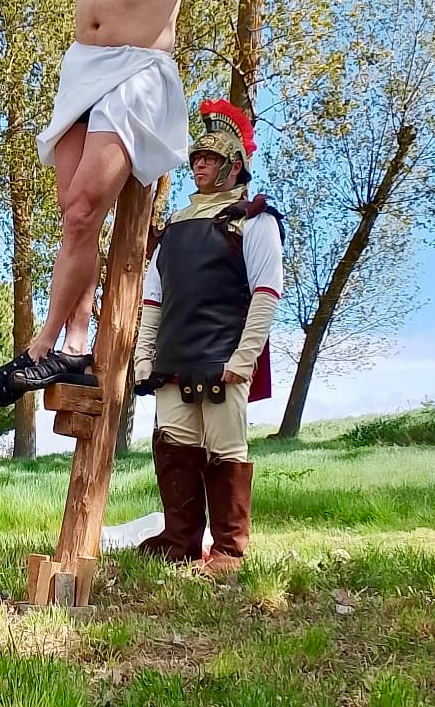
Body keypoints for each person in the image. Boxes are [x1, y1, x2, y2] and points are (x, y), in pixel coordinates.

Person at [0, 0, 391, 398]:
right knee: (74, 214)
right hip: (81, 69)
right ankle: (77, 342)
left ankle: (42, 350)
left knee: (85, 207)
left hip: (137, 72)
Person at [131, 100, 282, 576]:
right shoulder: (173, 227)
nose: (199, 165)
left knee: (225, 449)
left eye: (210, 159)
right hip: (175, 356)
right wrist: (144, 355)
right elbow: (153, 298)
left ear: (233, 165)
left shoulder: (255, 221)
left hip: (223, 358)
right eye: (196, 158)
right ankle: (180, 540)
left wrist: (244, 355)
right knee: (174, 446)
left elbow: (265, 293)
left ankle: (229, 553)